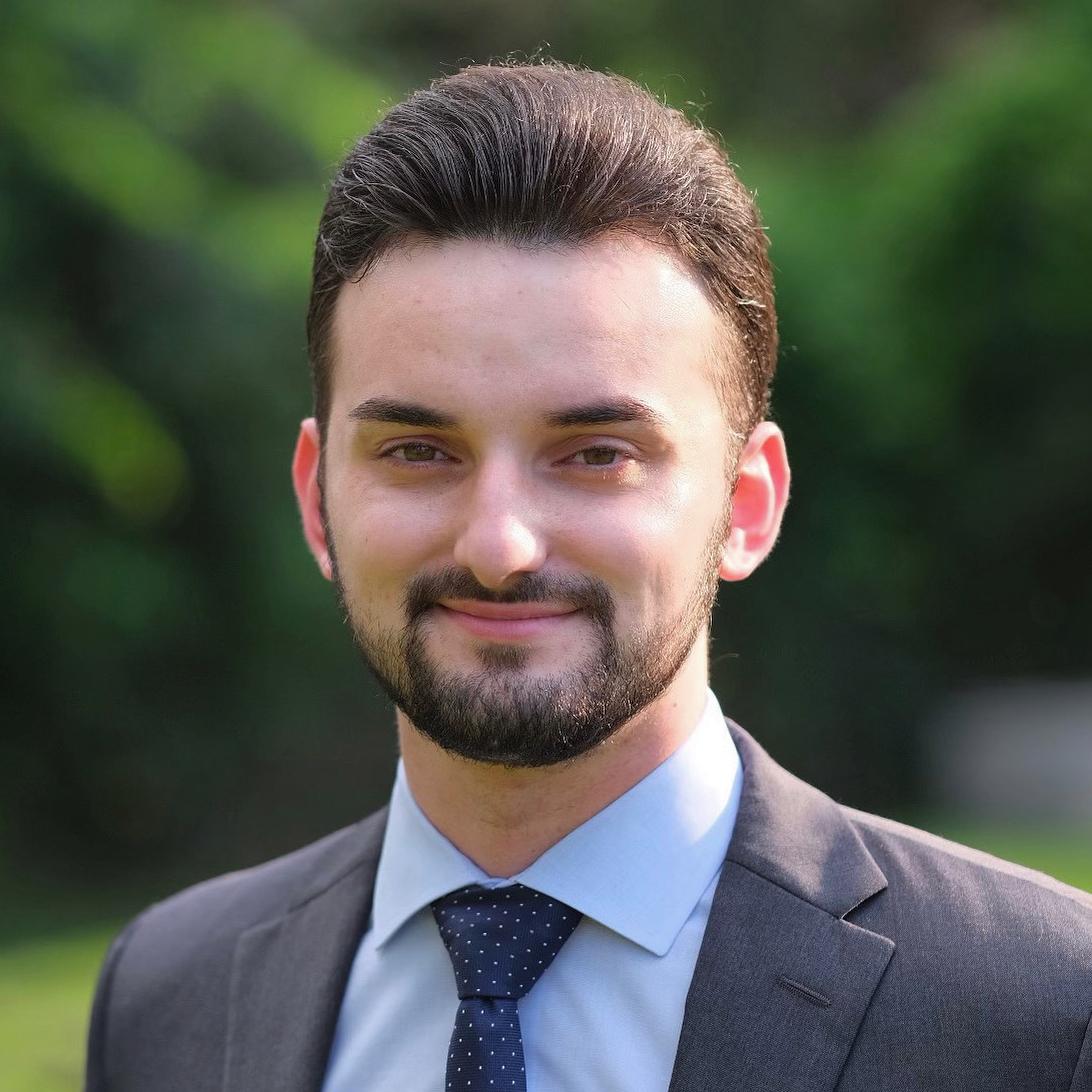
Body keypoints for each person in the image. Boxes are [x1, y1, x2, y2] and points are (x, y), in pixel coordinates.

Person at [84, 61, 1092, 1092]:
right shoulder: (166, 1002)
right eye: (419, 452)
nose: (500, 545)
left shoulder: (1046, 1016)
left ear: (747, 504)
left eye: (597, 454)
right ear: (317, 500)